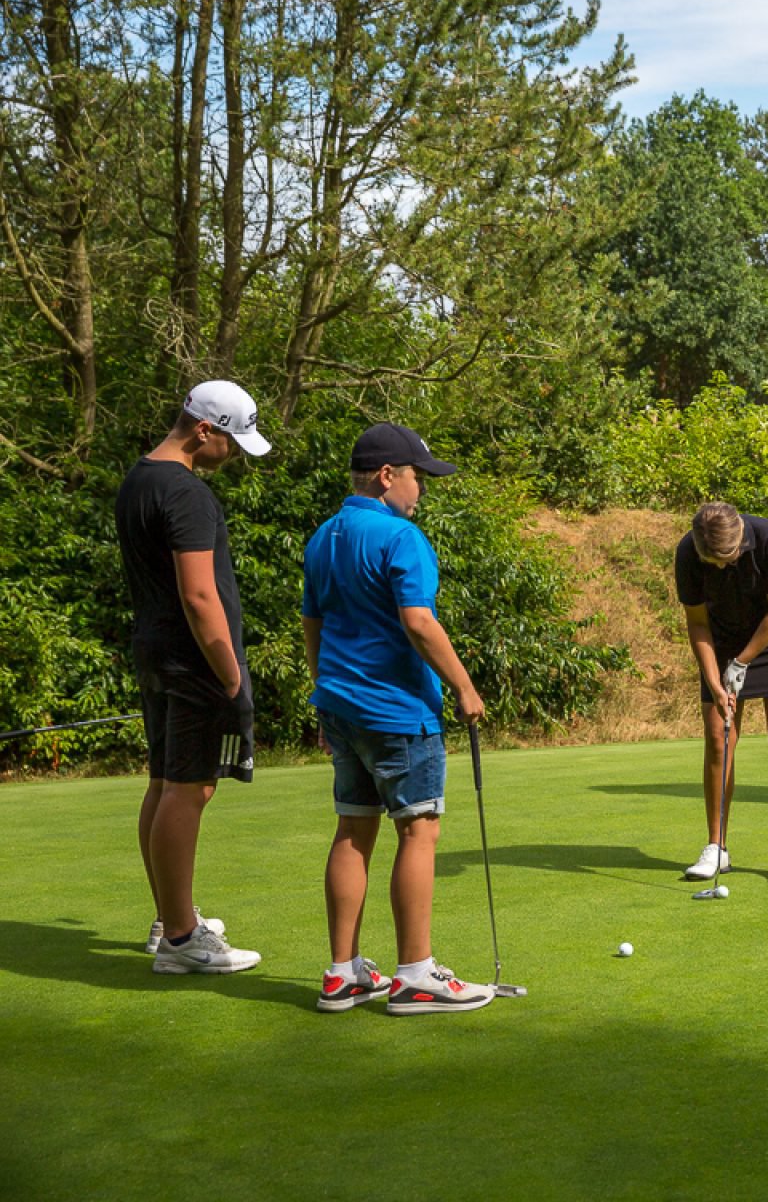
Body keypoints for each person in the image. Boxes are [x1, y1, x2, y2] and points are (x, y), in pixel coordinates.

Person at [302, 422, 492, 1014]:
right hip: (397, 711)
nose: (421, 491)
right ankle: (415, 975)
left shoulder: (323, 537)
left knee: (353, 831)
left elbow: (313, 625)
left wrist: (326, 689)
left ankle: (343, 973)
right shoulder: (399, 537)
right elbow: (419, 621)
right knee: (419, 830)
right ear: (388, 477)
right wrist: (464, 686)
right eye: (417, 478)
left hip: (340, 706)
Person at [116, 380, 270, 975]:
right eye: (229, 441)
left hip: (156, 652)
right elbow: (200, 595)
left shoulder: (138, 479)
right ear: (203, 430)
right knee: (192, 787)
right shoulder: (186, 495)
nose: (230, 454)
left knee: (163, 781)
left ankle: (169, 917)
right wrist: (231, 675)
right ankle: (181, 940)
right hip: (194, 659)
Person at [674, 501, 768, 884]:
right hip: (720, 640)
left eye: (727, 559)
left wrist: (742, 662)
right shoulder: (688, 552)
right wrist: (716, 681)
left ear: (740, 541)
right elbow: (697, 622)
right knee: (719, 740)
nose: (720, 567)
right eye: (712, 561)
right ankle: (716, 847)